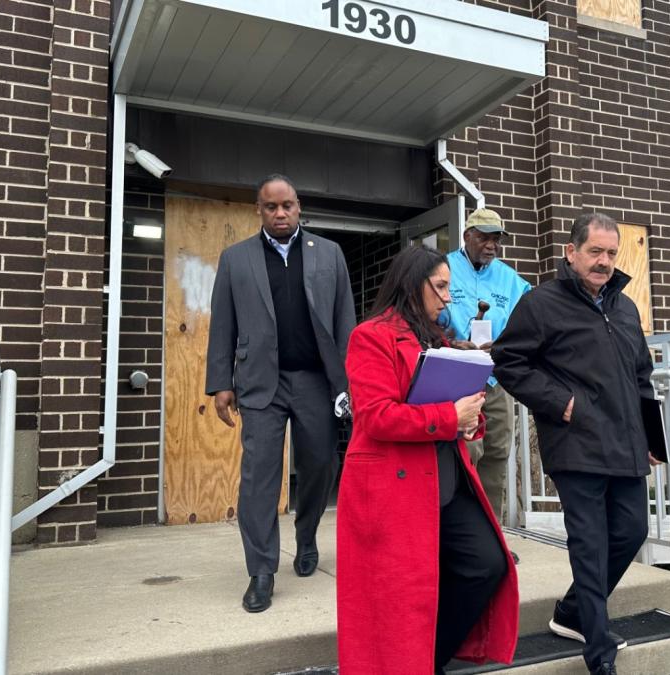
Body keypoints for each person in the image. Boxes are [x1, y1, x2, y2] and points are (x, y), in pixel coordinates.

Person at [492, 213, 662, 675]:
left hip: (624, 441)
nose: (604, 262)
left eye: (611, 253)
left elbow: (641, 377)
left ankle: (571, 611)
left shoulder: (625, 308)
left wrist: (653, 437)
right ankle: (599, 650)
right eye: (595, 252)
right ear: (571, 252)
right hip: (576, 443)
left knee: (630, 532)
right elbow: (508, 361)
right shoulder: (541, 303)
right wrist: (561, 404)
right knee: (589, 543)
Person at [337, 246, 518, 675]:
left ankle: (426, 658)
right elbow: (376, 416)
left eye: (448, 289)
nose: (446, 298)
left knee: (487, 563)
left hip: (444, 479)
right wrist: (447, 416)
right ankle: (413, 663)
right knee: (401, 591)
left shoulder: (436, 339)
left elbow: (454, 413)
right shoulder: (370, 336)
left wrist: (469, 419)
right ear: (410, 284)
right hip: (394, 486)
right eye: (439, 287)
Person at [205, 174, 356, 613]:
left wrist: (347, 382)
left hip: (314, 379)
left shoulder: (329, 253)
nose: (280, 213)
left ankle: (306, 536)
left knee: (321, 465)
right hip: (259, 384)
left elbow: (345, 320)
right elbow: (223, 324)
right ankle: (262, 570)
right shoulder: (236, 259)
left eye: (287, 205)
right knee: (259, 478)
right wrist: (220, 383)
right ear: (259, 210)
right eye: (270, 207)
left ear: (298, 205)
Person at [441, 207, 531, 528]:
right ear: (467, 236)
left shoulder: (510, 279)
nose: (491, 245)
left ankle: (490, 534)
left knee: (496, 451)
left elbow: (531, 320)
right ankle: (461, 532)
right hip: (458, 374)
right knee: (468, 451)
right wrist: (449, 342)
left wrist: (511, 346)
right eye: (484, 237)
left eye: (496, 239)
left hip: (496, 377)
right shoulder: (445, 268)